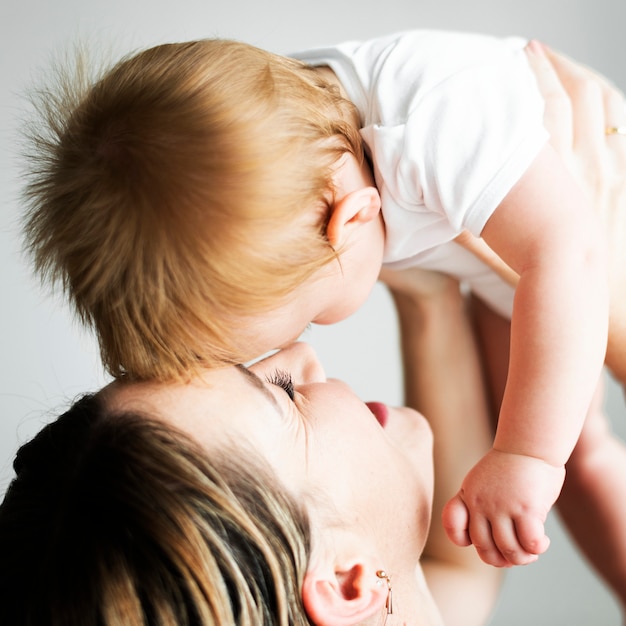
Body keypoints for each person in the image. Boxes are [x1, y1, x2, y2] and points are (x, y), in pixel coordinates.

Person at [18, 31, 621, 585]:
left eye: (305, 318)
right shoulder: (286, 151)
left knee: (561, 450)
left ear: (352, 219)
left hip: (587, 232)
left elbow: (572, 253)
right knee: (580, 455)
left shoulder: (435, 124)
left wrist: (526, 455)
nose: (306, 354)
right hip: (526, 276)